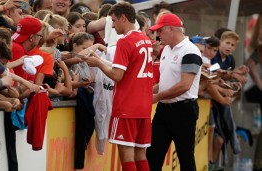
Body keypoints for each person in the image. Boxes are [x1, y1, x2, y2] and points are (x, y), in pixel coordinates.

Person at [84, 2, 153, 171]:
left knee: (126, 154)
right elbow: (128, 71)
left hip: (127, 105)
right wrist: (100, 60)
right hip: (143, 106)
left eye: (114, 21)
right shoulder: (146, 40)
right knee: (140, 154)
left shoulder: (125, 40)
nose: (112, 26)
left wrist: (97, 63)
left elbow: (117, 75)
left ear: (124, 18)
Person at [146, 13, 203, 171]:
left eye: (160, 31)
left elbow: (185, 85)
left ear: (171, 29)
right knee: (152, 155)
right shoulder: (166, 50)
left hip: (183, 110)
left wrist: (157, 96)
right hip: (164, 109)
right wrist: (149, 93)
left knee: (185, 158)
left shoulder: (190, 51)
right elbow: (164, 81)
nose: (157, 35)